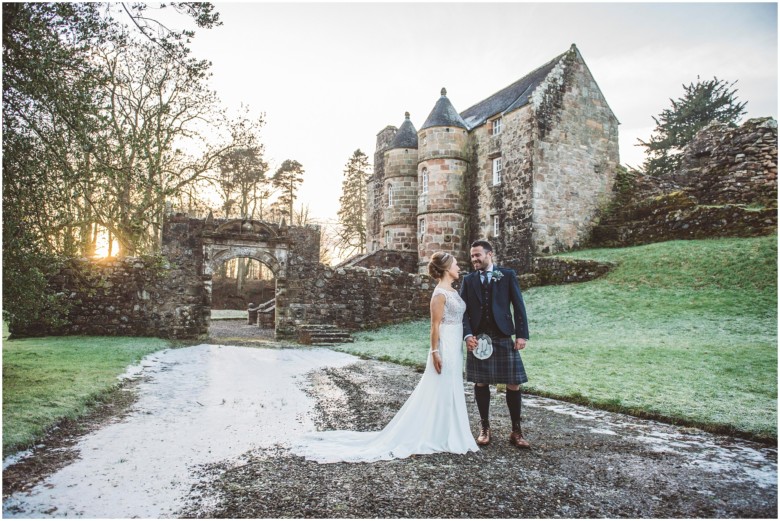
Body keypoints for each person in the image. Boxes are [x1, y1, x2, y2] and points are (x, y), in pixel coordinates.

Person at [290, 251, 479, 463]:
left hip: (456, 345)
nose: (458, 267)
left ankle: (449, 431)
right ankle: (437, 433)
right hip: (444, 344)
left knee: (451, 384)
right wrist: (434, 351)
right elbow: (434, 326)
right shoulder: (439, 294)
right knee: (440, 385)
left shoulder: (454, 291)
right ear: (446, 268)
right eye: (455, 264)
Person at [460, 239, 531, 448]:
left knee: (513, 383)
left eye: (477, 255)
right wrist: (467, 335)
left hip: (502, 336)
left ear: (489, 254)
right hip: (479, 338)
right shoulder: (469, 280)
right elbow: (463, 312)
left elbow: (519, 305)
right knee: (481, 382)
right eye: (472, 256)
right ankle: (484, 427)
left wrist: (521, 335)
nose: (474, 259)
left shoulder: (507, 275)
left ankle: (516, 431)